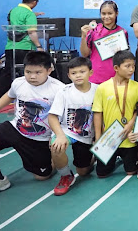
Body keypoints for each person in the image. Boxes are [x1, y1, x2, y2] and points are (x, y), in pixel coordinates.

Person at [0, 51, 64, 195]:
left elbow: (63, 116)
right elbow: (9, 96)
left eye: (38, 72)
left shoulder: (59, 89)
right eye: (28, 72)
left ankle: (51, 161)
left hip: (40, 138)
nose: (32, 76)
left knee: (42, 176)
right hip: (15, 128)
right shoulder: (19, 83)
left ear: (49, 70)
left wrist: (57, 136)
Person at [48, 57, 97, 195]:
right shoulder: (64, 92)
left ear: (91, 72)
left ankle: (92, 157)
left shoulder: (99, 90)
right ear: (69, 75)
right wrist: (59, 135)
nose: (78, 75)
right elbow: (52, 116)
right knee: (56, 146)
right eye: (74, 73)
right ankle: (66, 176)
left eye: (82, 72)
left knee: (83, 172)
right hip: (67, 132)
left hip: (87, 136)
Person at [92, 50, 138, 178]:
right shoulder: (102, 87)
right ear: (116, 68)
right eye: (127, 66)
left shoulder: (137, 86)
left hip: (129, 137)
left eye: (133, 66)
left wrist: (130, 124)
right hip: (109, 139)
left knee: (131, 172)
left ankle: (126, 158)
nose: (131, 70)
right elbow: (98, 113)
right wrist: (98, 138)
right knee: (101, 174)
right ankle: (114, 159)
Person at [0, 0, 44, 98]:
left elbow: (18, 21)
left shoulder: (13, 11)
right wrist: (39, 46)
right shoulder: (29, 14)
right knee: (27, 72)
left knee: (7, 72)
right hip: (25, 47)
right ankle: (26, 96)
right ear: (34, 2)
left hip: (11, 47)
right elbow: (31, 32)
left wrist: (34, 14)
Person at [80, 0, 129, 85]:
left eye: (110, 13)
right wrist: (83, 36)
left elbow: (125, 57)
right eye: (103, 14)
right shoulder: (93, 31)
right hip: (96, 75)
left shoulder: (122, 32)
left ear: (116, 13)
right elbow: (85, 54)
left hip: (115, 76)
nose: (106, 17)